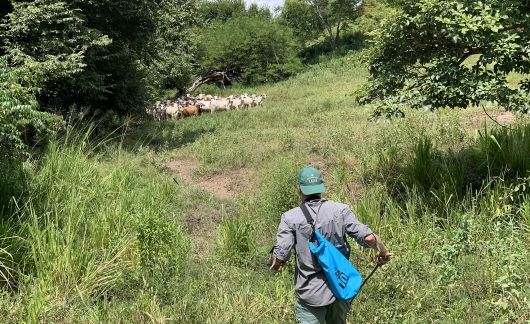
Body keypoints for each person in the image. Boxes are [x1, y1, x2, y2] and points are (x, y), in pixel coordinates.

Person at [268, 166, 393, 324]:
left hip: (310, 293)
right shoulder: (340, 210)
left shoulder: (290, 218)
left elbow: (279, 258)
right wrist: (382, 251)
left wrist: (275, 264)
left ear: (299, 189)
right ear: (321, 187)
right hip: (339, 288)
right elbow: (368, 238)